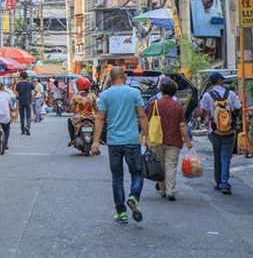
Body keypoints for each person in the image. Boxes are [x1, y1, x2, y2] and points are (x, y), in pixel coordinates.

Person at [92, 66, 151, 224]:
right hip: (132, 140)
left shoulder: (105, 95)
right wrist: (148, 137)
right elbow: (142, 116)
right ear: (124, 77)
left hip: (114, 142)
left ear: (111, 79)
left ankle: (121, 212)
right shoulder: (134, 93)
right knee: (137, 173)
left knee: (117, 178)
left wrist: (96, 142)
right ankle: (134, 196)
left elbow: (100, 118)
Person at [146, 78, 193, 201]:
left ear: (161, 90)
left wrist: (146, 138)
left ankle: (162, 190)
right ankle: (170, 190)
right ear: (174, 92)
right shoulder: (178, 106)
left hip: (157, 139)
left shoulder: (154, 104)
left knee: (160, 165)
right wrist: (187, 140)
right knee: (171, 166)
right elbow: (182, 125)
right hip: (174, 140)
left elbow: (147, 121)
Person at [199, 71, 241, 194]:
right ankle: (225, 183)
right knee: (226, 157)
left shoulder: (207, 95)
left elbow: (203, 112)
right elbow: (238, 108)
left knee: (217, 156)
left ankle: (218, 182)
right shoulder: (231, 94)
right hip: (229, 130)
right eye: (222, 80)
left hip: (214, 130)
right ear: (219, 81)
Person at [68, 77, 97, 146]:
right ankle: (98, 138)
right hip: (91, 117)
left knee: (69, 121)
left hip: (78, 118)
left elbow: (72, 109)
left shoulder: (76, 97)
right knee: (99, 123)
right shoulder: (92, 96)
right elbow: (95, 107)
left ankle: (72, 139)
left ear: (78, 86)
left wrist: (72, 110)